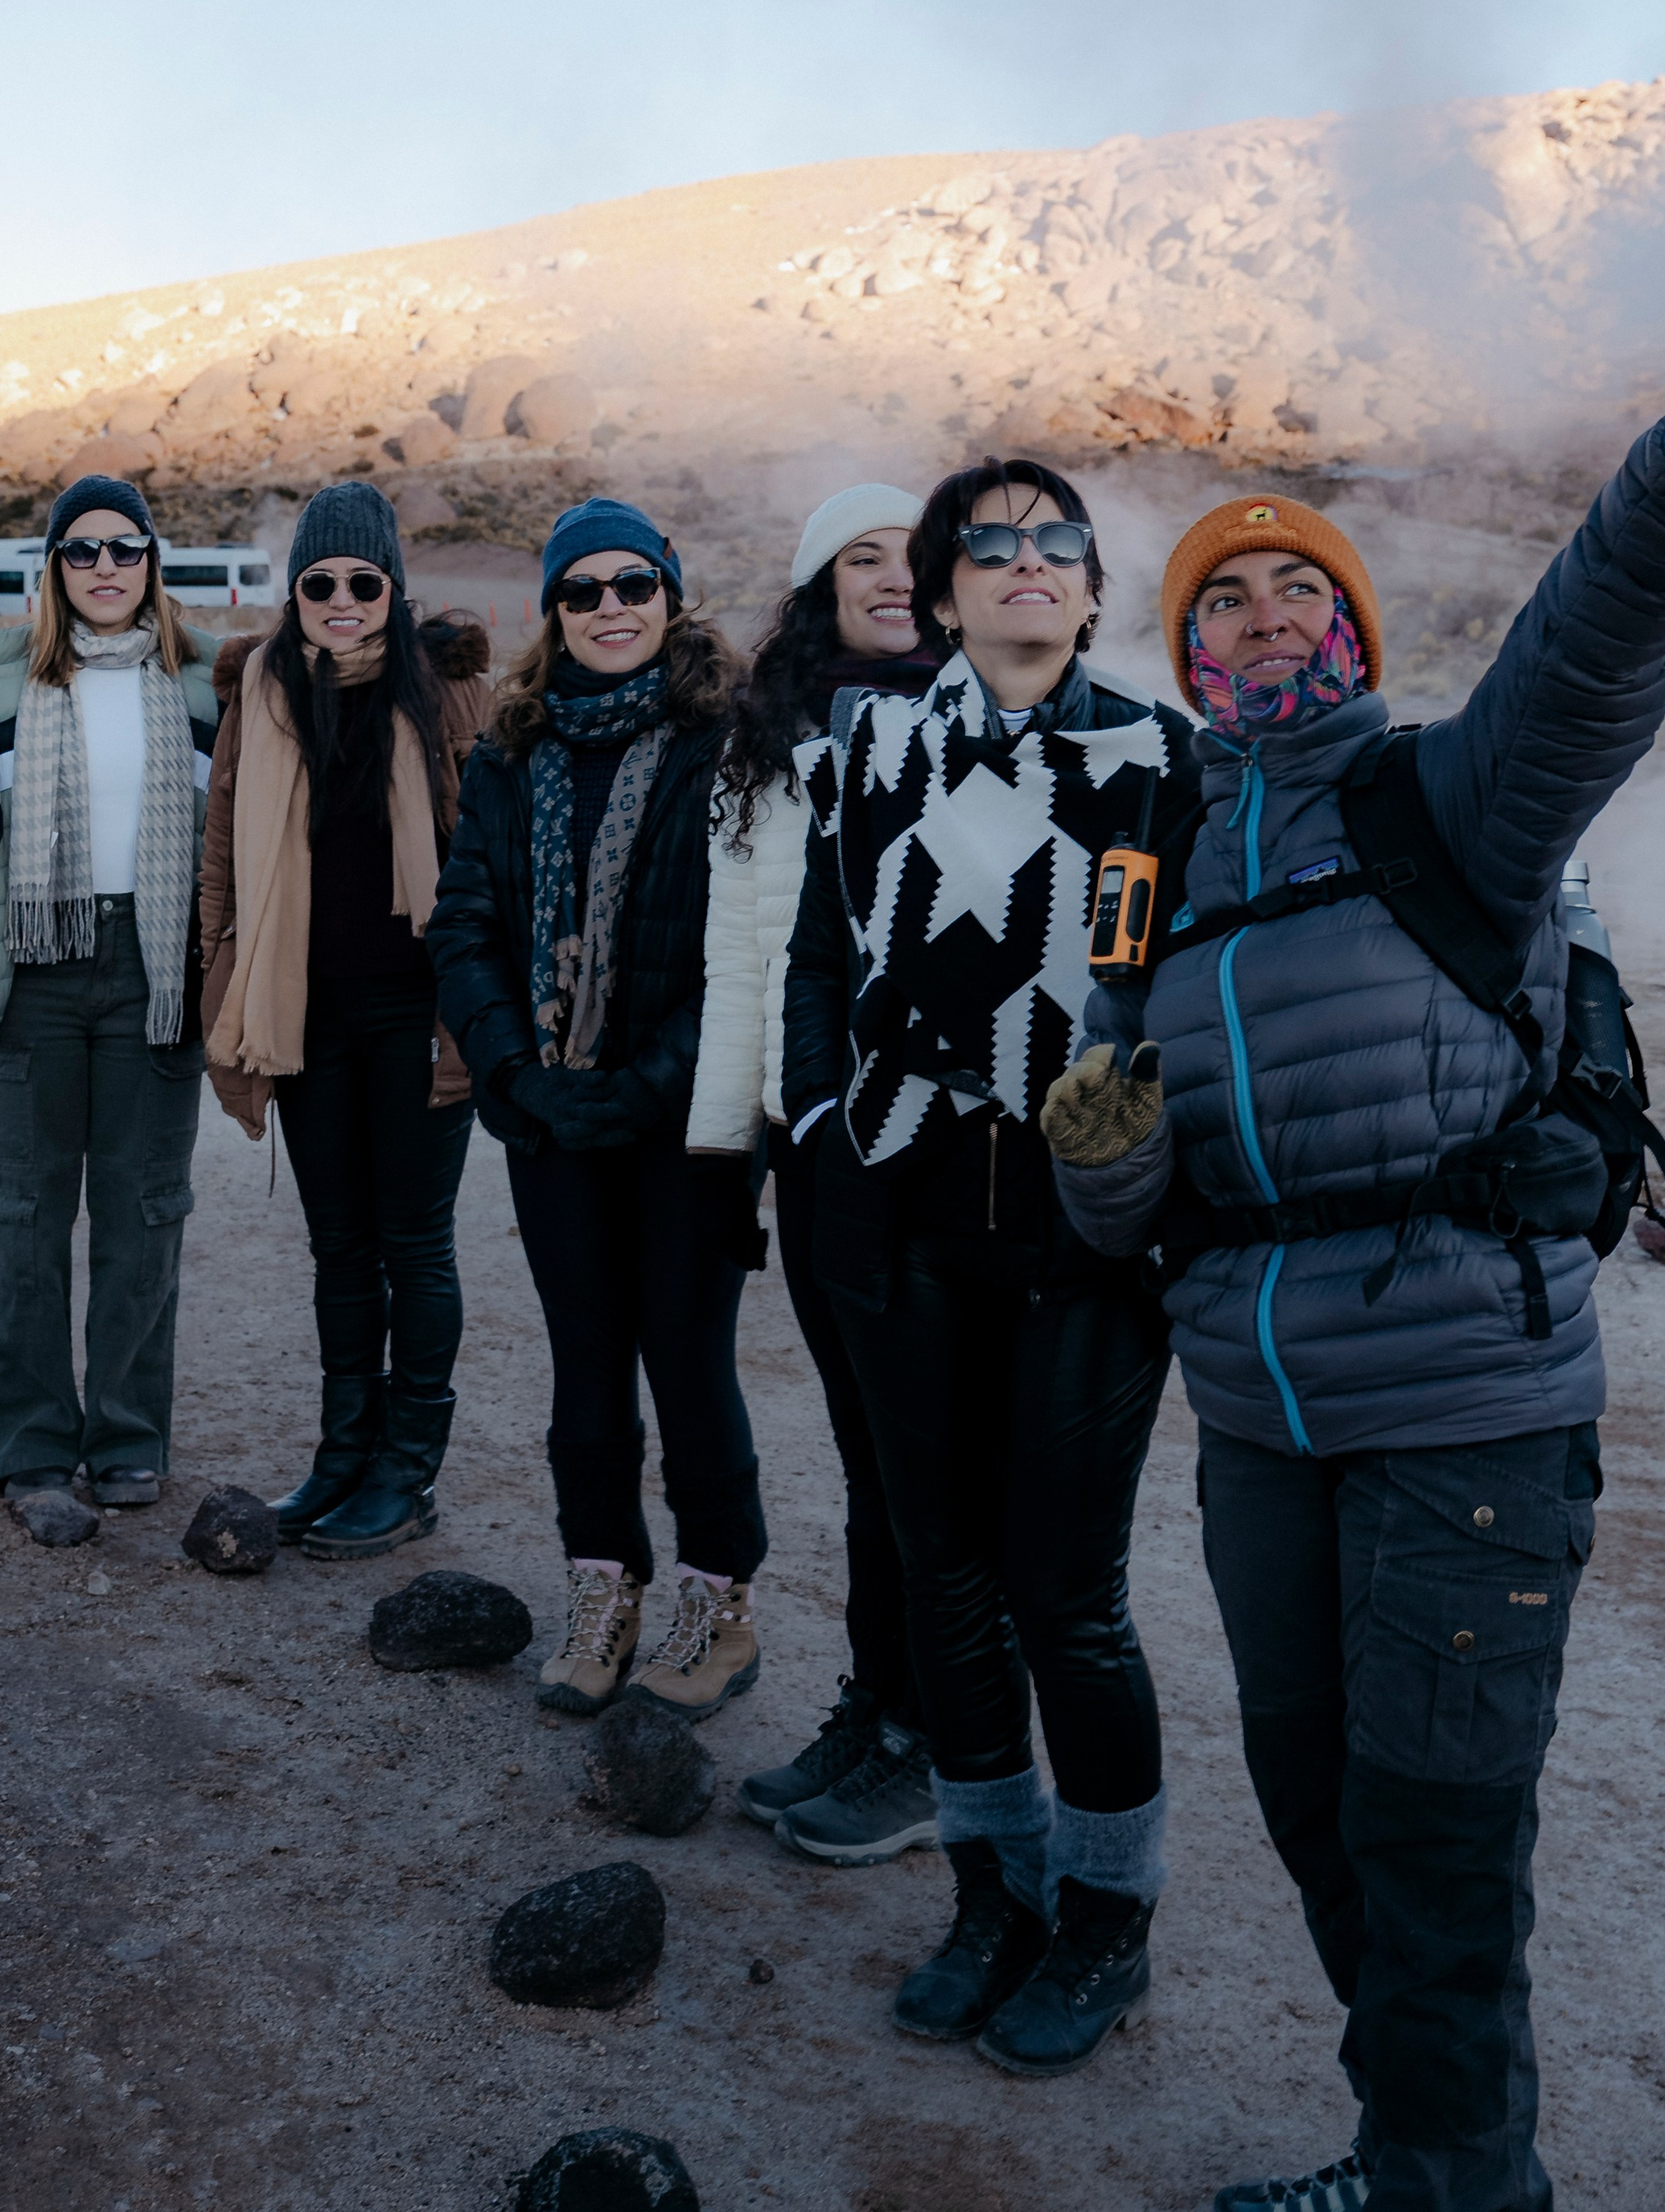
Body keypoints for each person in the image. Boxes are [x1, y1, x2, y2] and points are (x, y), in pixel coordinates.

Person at [1040, 314, 1665, 2210]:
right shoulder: (1155, 865)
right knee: (1319, 1811)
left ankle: (1456, 2177)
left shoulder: (1448, 802)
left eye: (1289, 594)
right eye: (1218, 604)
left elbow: (1588, 665)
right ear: (1179, 655)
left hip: (1461, 1408)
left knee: (1432, 1823)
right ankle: (1414, 2145)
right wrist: (1104, 1156)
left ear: (1347, 635)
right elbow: (1130, 1216)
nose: (1254, 623)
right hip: (1258, 1419)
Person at [782, 456, 1202, 2074]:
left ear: (1091, 591)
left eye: (1056, 545)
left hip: (1080, 1239)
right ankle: (991, 1893)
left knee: (1065, 1598)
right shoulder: (864, 752)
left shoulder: (1168, 764)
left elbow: (1195, 989)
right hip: (892, 1209)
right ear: (941, 591)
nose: (1025, 566)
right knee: (941, 1576)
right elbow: (820, 954)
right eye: (989, 547)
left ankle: (1106, 1918)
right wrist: (820, 1115)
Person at [426, 498, 760, 1721]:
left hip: (686, 1126)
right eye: (585, 590)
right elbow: (465, 928)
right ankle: (603, 1587)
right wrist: (518, 1077)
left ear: (671, 594)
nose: (611, 607)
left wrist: (638, 1089)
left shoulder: (729, 740)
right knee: (584, 1369)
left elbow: (744, 946)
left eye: (634, 584)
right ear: (554, 611)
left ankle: (717, 1607)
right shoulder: (511, 754)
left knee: (688, 1364)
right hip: (550, 1120)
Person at [689, 483, 944, 1863]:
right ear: (817, 586)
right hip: (818, 1142)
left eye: (916, 554)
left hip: (941, 1146)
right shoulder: (770, 743)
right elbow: (743, 957)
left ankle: (935, 1743)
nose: (894, 577)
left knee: (931, 1463)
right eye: (862, 557)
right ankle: (878, 1706)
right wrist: (731, 1144)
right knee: (863, 1454)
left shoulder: (992, 721)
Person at [0, 475, 224, 1541]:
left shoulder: (204, 683)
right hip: (28, 978)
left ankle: (129, 1441)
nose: (105, 570)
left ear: (154, 562)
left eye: (125, 550)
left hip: (153, 971)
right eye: (82, 552)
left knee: (145, 1222)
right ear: (54, 567)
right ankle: (30, 1448)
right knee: (19, 1223)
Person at [200, 483, 491, 1561]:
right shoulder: (262, 693)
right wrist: (216, 982)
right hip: (303, 1013)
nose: (340, 600)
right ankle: (341, 1454)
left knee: (415, 1247)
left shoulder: (443, 693)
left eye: (362, 582)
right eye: (317, 583)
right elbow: (224, 855)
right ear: (296, 590)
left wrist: (483, 1002)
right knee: (337, 1246)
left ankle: (407, 1475)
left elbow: (486, 853)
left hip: (421, 1014)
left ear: (392, 589)